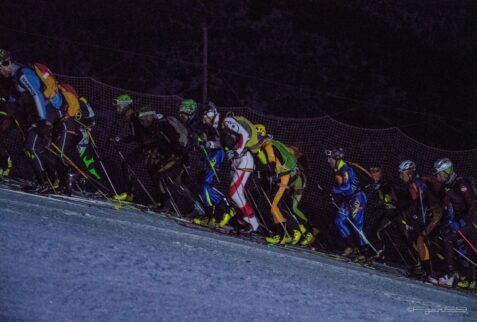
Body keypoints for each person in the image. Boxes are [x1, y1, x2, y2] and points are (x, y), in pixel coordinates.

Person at [0, 49, 65, 192]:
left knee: (31, 147)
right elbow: (20, 98)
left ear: (6, 62)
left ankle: (45, 182)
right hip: (44, 111)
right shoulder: (15, 77)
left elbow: (37, 95)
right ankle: (63, 176)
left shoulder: (23, 74)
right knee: (36, 148)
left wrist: (42, 120)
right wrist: (6, 101)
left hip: (48, 110)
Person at [253, 123, 302, 245]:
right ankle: (289, 233)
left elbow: (272, 165)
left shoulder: (268, 146)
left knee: (272, 205)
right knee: (275, 206)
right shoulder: (271, 143)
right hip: (283, 178)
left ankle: (284, 234)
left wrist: (255, 168)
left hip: (283, 179)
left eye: (256, 136)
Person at [432, 158, 477, 288]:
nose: (437, 177)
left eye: (438, 174)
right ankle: (469, 278)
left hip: (472, 221)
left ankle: (452, 274)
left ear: (446, 172)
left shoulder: (461, 183)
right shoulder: (448, 187)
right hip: (462, 222)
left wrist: (463, 222)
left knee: (449, 240)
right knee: (454, 243)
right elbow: (442, 204)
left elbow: (473, 204)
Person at [397, 160, 444, 280]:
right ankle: (422, 265)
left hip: (436, 215)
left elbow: (430, 201)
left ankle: (428, 271)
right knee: (414, 237)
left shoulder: (420, 183)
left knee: (420, 239)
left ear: (409, 173)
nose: (400, 176)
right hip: (427, 214)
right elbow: (415, 203)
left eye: (402, 174)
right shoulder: (412, 184)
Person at [192, 102, 235, 228]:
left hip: (222, 156)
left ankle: (227, 209)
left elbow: (225, 143)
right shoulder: (211, 125)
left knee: (206, 183)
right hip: (216, 154)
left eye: (204, 117)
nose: (203, 120)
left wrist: (208, 144)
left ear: (210, 114)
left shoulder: (221, 123)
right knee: (204, 185)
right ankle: (210, 216)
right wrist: (203, 142)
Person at [326, 148, 368, 259]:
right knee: (339, 221)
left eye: (330, 158)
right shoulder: (337, 169)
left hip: (357, 198)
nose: (328, 161)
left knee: (357, 226)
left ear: (336, 158)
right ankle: (351, 247)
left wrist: (333, 190)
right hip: (348, 199)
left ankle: (365, 252)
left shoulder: (345, 169)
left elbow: (348, 187)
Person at [221, 113, 260, 232]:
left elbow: (245, 134)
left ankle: (253, 223)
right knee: (236, 194)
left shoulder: (227, 121)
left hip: (244, 159)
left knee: (234, 193)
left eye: (206, 117)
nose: (204, 120)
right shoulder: (220, 128)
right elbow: (225, 144)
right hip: (236, 160)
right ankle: (243, 221)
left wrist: (237, 151)